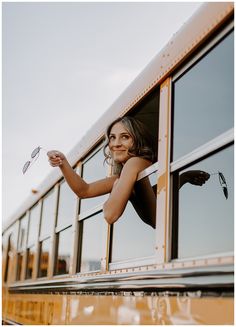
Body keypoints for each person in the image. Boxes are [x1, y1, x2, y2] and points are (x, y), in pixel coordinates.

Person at [47, 116, 210, 228]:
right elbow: (84, 190)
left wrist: (117, 187)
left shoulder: (134, 163)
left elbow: (110, 215)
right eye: (112, 137)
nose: (115, 144)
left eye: (125, 137)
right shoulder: (131, 172)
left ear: (137, 140)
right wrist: (63, 162)